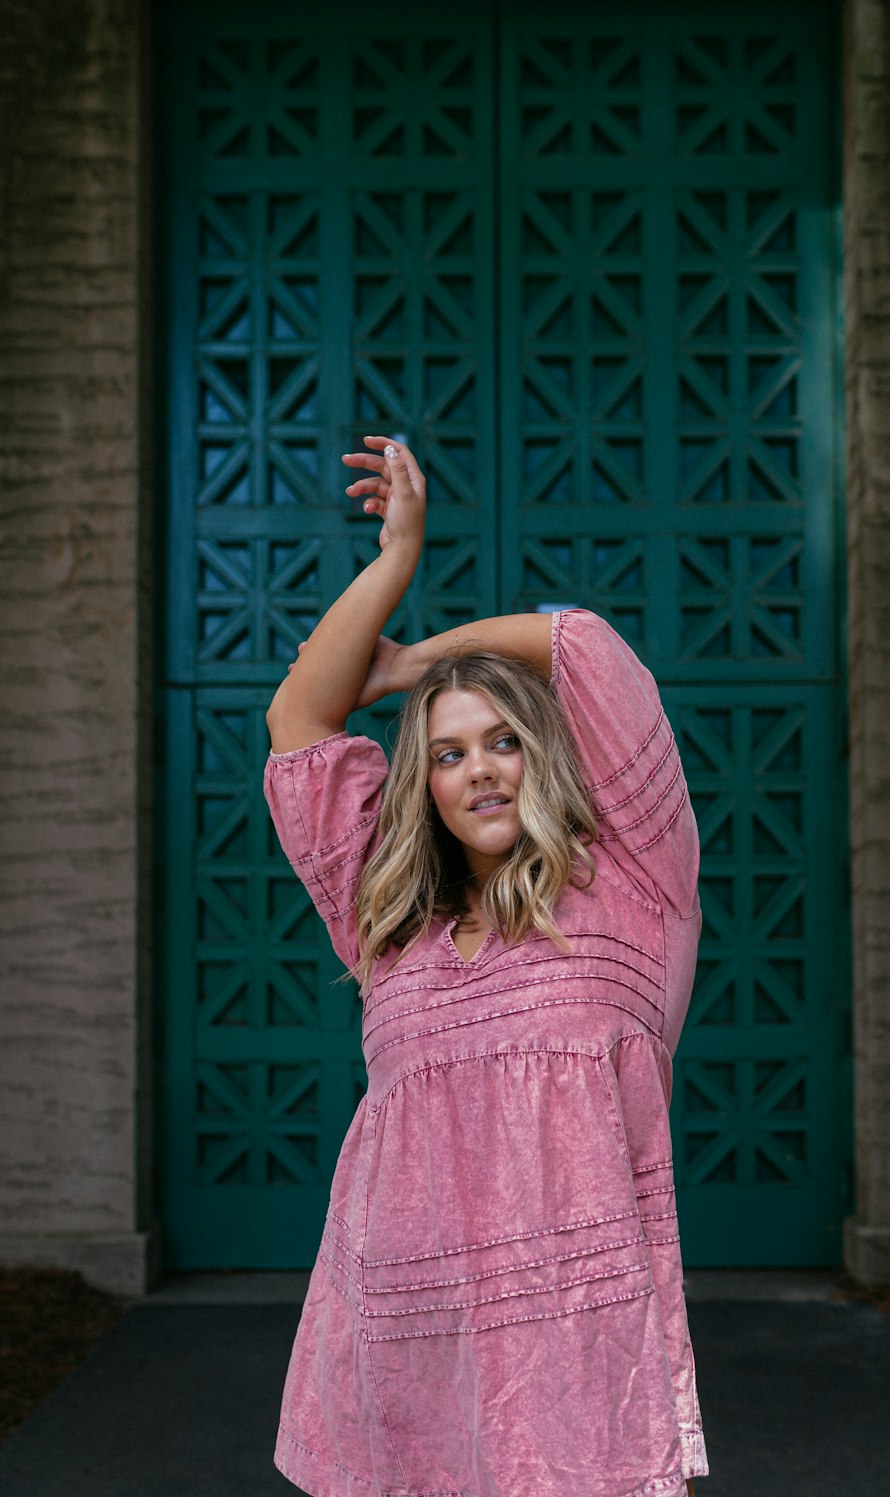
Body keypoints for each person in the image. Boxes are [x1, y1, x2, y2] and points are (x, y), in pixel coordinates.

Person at [264, 434, 709, 1497]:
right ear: (425, 786)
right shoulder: (386, 921)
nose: (479, 771)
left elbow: (582, 642)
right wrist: (391, 562)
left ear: (543, 754)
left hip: (577, 1367)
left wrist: (424, 664)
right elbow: (298, 721)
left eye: (503, 740)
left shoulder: (637, 878)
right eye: (450, 753)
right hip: (397, 1337)